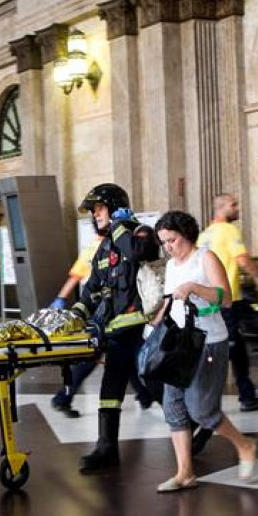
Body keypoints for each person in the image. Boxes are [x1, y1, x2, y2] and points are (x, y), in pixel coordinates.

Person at [153, 210, 258, 491]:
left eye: (172, 240)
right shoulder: (172, 266)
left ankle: (244, 445)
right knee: (173, 406)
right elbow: (170, 301)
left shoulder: (206, 258)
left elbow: (226, 298)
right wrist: (155, 321)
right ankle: (185, 473)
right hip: (178, 343)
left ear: (186, 235)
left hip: (208, 341)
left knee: (202, 410)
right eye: (164, 242)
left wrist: (195, 287)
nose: (168, 247)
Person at [68, 183, 160, 472]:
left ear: (115, 208)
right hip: (117, 334)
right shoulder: (104, 248)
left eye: (99, 208)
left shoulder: (139, 233)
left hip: (143, 332)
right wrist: (76, 315)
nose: (95, 214)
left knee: (157, 385)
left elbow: (138, 253)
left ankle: (196, 425)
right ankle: (106, 448)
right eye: (93, 210)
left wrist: (120, 225)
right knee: (111, 390)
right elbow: (92, 289)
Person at [190, 194, 258, 454]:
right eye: (233, 205)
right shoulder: (229, 231)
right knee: (227, 351)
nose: (237, 208)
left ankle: (247, 394)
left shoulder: (205, 234)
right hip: (228, 300)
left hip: (210, 301)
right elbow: (244, 262)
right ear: (221, 208)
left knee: (236, 348)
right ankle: (208, 417)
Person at [50, 232, 159, 417]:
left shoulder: (96, 246)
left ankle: (144, 395)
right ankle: (63, 398)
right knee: (95, 358)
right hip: (104, 313)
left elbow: (76, 277)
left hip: (103, 312)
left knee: (123, 354)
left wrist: (61, 297)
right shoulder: (117, 245)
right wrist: (62, 299)